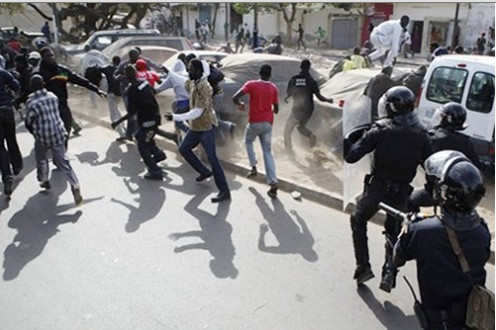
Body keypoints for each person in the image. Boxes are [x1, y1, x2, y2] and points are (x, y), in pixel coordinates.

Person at [344, 86, 432, 292]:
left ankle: (363, 266)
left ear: (391, 107)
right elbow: (431, 168)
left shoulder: (379, 131)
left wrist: (350, 138)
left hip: (377, 188)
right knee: (393, 232)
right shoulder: (422, 135)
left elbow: (351, 156)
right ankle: (389, 272)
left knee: (358, 219)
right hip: (402, 191)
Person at [394, 150, 490, 329]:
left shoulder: (422, 231)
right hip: (472, 318)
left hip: (439, 322)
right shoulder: (482, 232)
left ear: (443, 192)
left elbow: (398, 256)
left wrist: (409, 226)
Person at [164, 59, 230, 203]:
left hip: (205, 127)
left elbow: (197, 112)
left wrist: (176, 117)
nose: (189, 72)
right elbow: (181, 80)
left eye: (191, 69)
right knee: (184, 149)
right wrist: (168, 72)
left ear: (199, 71)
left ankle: (224, 191)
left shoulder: (204, 87)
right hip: (196, 127)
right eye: (188, 69)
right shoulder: (194, 82)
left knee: (213, 159)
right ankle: (204, 171)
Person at [408, 102, 483, 212]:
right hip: (457, 195)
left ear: (444, 119)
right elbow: (476, 166)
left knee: (410, 201)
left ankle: (415, 225)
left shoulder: (432, 138)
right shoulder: (466, 142)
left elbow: (419, 160)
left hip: (433, 192)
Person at [24, 75, 83, 205]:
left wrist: (34, 131)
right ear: (44, 84)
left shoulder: (31, 102)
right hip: (58, 133)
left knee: (41, 158)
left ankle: (44, 179)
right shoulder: (53, 97)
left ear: (32, 87)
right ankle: (75, 184)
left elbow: (28, 121)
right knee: (63, 161)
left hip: (43, 136)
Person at [36, 47, 106, 145]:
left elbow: (78, 79)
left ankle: (62, 153)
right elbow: (29, 90)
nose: (51, 58)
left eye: (52, 55)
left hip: (62, 105)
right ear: (42, 58)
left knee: (66, 130)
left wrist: (95, 88)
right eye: (48, 56)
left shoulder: (61, 70)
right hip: (47, 108)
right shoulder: (39, 74)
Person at [111, 65, 166, 180]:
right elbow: (153, 94)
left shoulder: (131, 90)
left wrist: (117, 122)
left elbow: (131, 113)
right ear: (136, 73)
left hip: (147, 121)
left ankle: (155, 171)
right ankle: (158, 154)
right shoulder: (144, 83)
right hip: (155, 116)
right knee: (140, 136)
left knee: (142, 146)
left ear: (126, 76)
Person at [232, 64, 279, 198]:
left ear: (259, 73)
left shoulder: (251, 84)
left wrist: (240, 105)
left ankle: (253, 167)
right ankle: (273, 182)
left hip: (254, 122)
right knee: (267, 152)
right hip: (268, 123)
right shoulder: (273, 88)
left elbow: (235, 97)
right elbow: (276, 110)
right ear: (270, 75)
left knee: (247, 141)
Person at [284, 59, 333, 158]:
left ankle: (289, 152)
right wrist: (328, 100)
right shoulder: (311, 81)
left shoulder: (294, 80)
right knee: (301, 127)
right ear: (309, 68)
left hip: (297, 109)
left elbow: (289, 93)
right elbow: (319, 97)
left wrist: (288, 97)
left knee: (287, 131)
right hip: (308, 110)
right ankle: (311, 137)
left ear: (300, 67)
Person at [84, 56, 127, 141]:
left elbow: (98, 69)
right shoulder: (123, 69)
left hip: (112, 93)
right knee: (117, 110)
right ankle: (125, 128)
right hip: (121, 94)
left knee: (114, 113)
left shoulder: (109, 68)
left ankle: (121, 133)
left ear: (113, 61)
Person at [0, 67, 21, 196]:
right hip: (7, 110)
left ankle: (7, 178)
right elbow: (16, 85)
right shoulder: (3, 72)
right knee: (11, 139)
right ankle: (17, 166)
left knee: (0, 148)